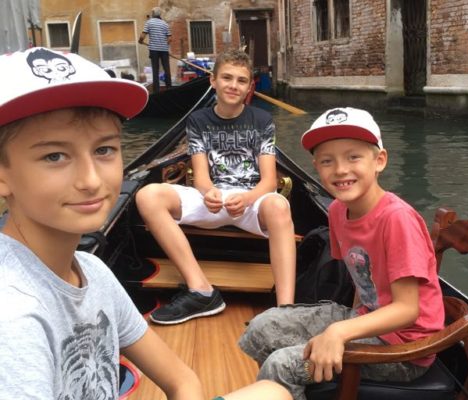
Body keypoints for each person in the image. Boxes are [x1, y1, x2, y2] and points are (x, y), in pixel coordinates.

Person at [0, 47, 203, 399]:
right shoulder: (13, 315)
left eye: (104, 150)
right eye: (54, 156)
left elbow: (183, 380)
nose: (91, 180)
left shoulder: (93, 272)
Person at [238, 107, 445, 399]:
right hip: (365, 319)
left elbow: (408, 309)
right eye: (327, 161)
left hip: (405, 349)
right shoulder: (337, 210)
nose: (340, 170)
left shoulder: (397, 219)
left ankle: (288, 386)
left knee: (283, 364)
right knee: (262, 327)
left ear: (379, 161)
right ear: (316, 167)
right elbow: (362, 279)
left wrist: (339, 332)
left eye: (353, 157)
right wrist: (345, 325)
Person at [135, 49, 296, 325]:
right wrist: (208, 193)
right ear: (213, 81)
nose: (234, 85)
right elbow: (201, 176)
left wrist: (247, 199)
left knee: (279, 205)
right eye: (227, 78)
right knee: (148, 196)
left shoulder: (262, 121)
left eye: (241, 80)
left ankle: (285, 311)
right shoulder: (198, 120)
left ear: (249, 86)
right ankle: (201, 291)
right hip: (214, 199)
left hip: (251, 203)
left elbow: (269, 182)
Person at [138, 6, 172, 94]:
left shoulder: (149, 23)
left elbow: (142, 36)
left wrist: (140, 41)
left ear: (153, 14)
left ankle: (156, 91)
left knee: (155, 70)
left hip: (154, 50)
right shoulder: (165, 24)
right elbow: (170, 39)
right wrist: (164, 45)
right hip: (164, 50)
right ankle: (169, 89)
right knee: (167, 69)